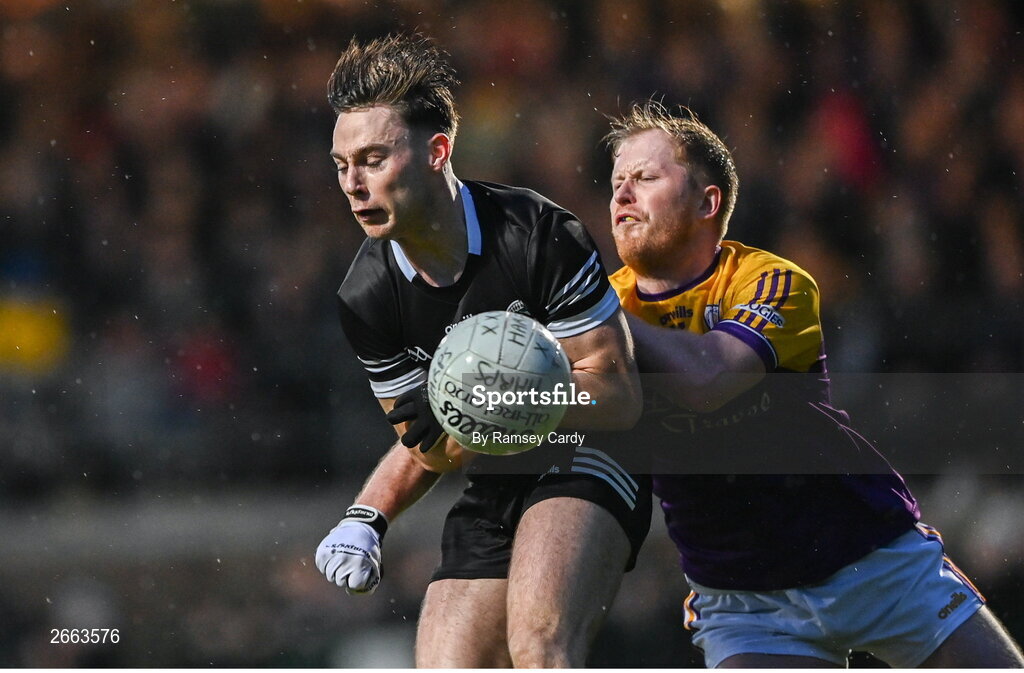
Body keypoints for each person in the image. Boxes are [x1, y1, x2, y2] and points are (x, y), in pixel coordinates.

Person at [603, 100, 1024, 668]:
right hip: (745, 603)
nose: (623, 195)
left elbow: (709, 378)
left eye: (646, 177)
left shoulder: (775, 281)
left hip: (871, 558)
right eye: (616, 182)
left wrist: (596, 317)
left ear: (709, 202)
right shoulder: (604, 304)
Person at [313, 34, 651, 668]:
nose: (352, 184)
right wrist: (369, 516)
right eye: (340, 165)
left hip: (592, 457)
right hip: (497, 477)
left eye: (373, 159)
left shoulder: (538, 234)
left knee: (539, 644)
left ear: (437, 151)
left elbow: (620, 395)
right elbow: (437, 442)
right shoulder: (365, 297)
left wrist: (520, 399)